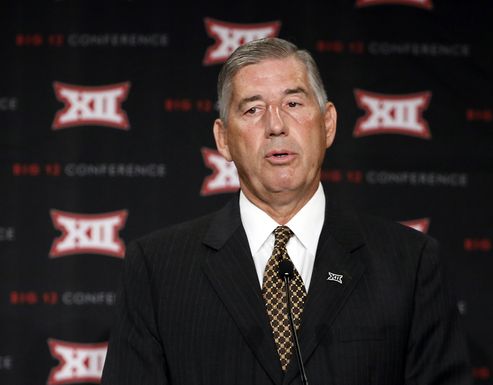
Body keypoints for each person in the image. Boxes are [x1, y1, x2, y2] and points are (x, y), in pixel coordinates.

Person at [101, 37, 472, 385]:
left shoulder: (410, 263)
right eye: (253, 109)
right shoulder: (157, 268)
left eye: (293, 104)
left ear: (327, 124)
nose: (276, 125)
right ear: (223, 139)